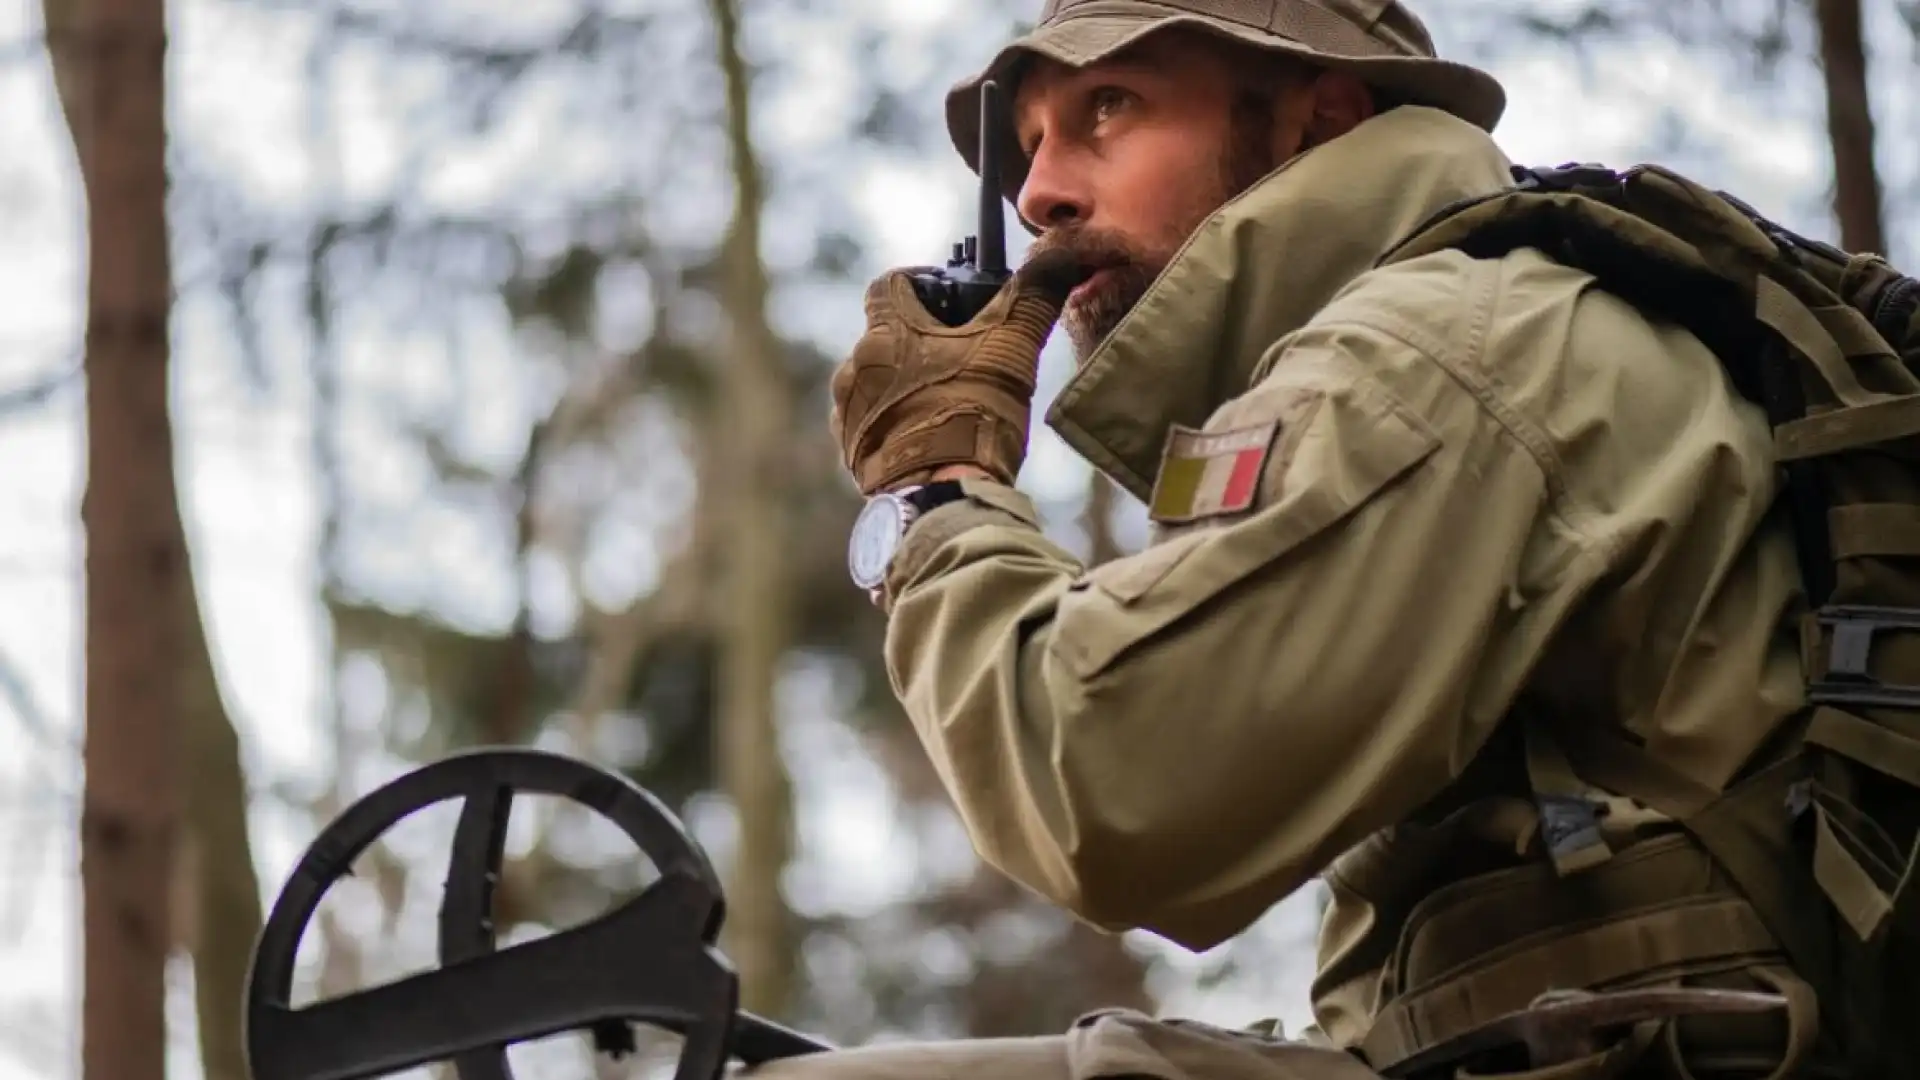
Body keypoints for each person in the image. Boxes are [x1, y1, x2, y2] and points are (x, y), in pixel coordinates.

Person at [802, 1, 1837, 1077]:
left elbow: (1112, 788)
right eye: (1029, 146)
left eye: (1109, 107)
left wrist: (935, 494)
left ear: (1321, 117)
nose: (1038, 194)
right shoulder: (1474, 324)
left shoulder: (1433, 352)